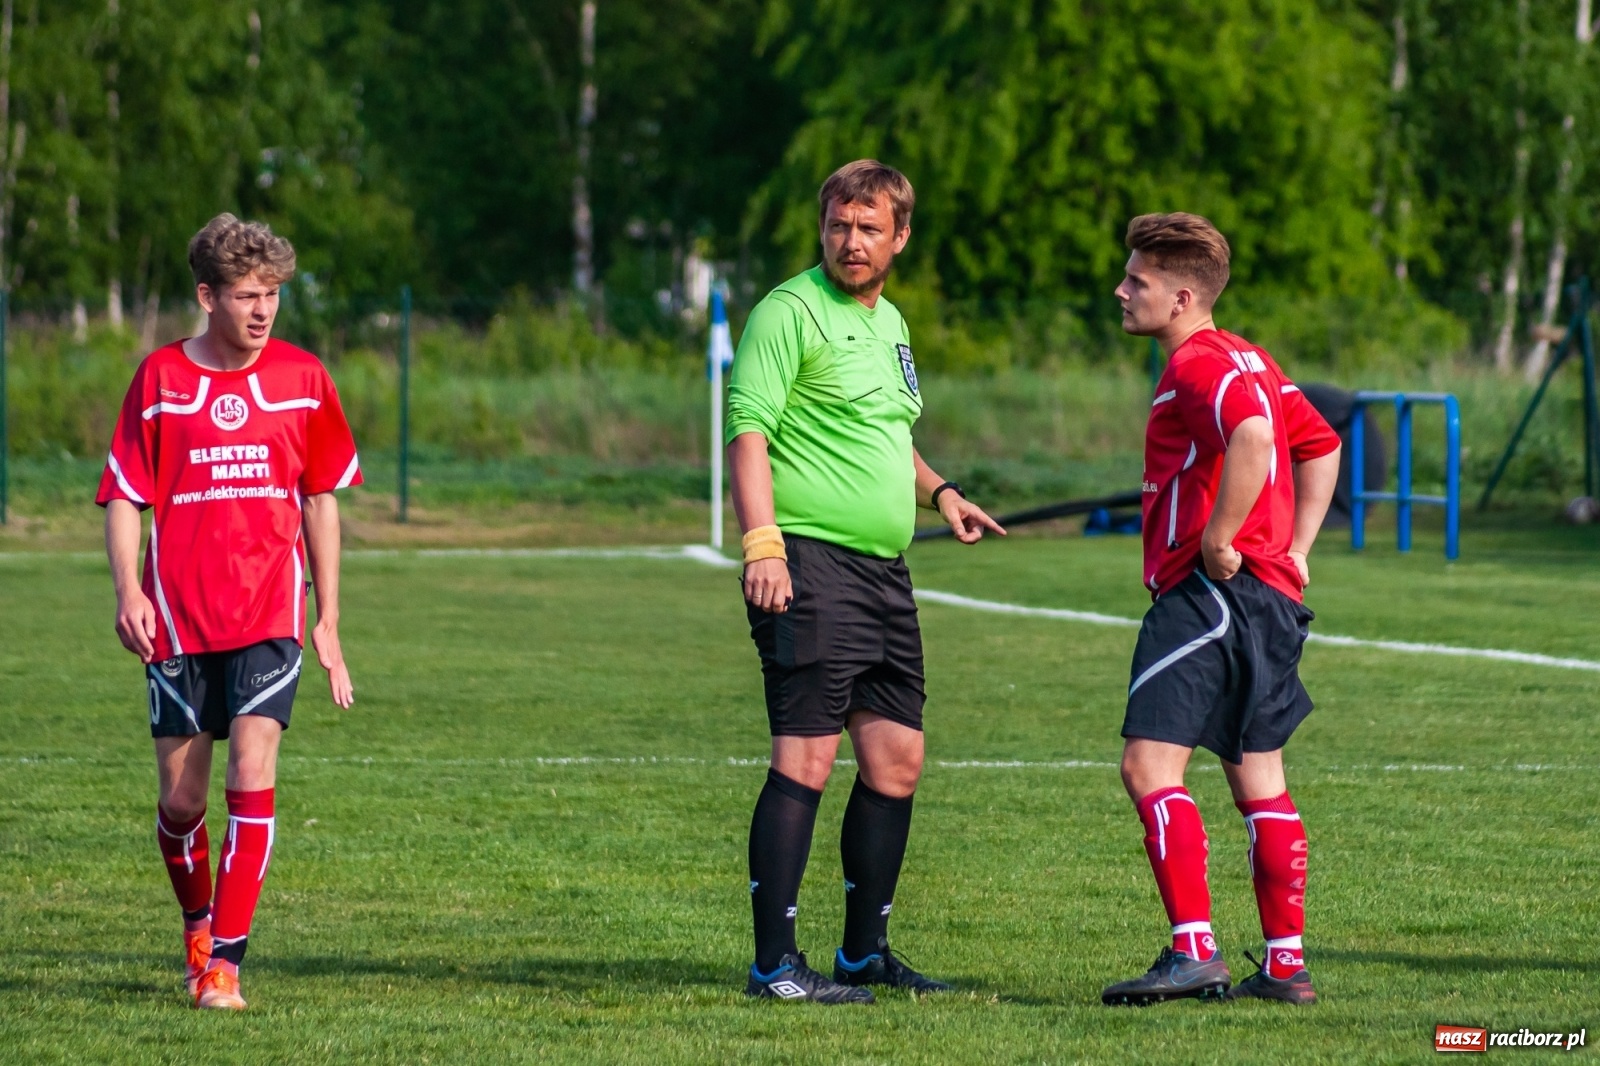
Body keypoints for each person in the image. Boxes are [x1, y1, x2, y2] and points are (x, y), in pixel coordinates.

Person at [726, 160, 1005, 1003]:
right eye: (840, 225)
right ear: (824, 227)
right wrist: (762, 545)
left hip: (886, 574)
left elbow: (888, 435)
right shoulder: (789, 311)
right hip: (810, 563)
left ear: (900, 237)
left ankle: (862, 955)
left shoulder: (891, 323)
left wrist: (942, 492)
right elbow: (748, 431)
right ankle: (775, 966)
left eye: (869, 228)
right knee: (805, 759)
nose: (852, 241)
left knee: (897, 761)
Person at [98, 213, 362, 1010]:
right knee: (182, 805)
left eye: (273, 294)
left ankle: (226, 967)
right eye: (247, 294)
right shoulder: (160, 381)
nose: (262, 310)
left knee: (253, 773)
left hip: (268, 615)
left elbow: (320, 500)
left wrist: (328, 618)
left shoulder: (305, 379)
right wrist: (127, 591)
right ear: (206, 295)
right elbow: (123, 496)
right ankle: (196, 923)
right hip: (177, 620)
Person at [1099, 213, 1341, 1007]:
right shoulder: (1253, 357)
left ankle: (1193, 950)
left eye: (1135, 281)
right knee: (1260, 779)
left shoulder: (1200, 363)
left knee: (1149, 767)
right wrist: (1299, 547)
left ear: (1179, 296)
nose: (1121, 291)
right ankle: (1284, 966)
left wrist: (1218, 539)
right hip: (1270, 599)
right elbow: (1322, 442)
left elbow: (1251, 440)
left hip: (1211, 597)